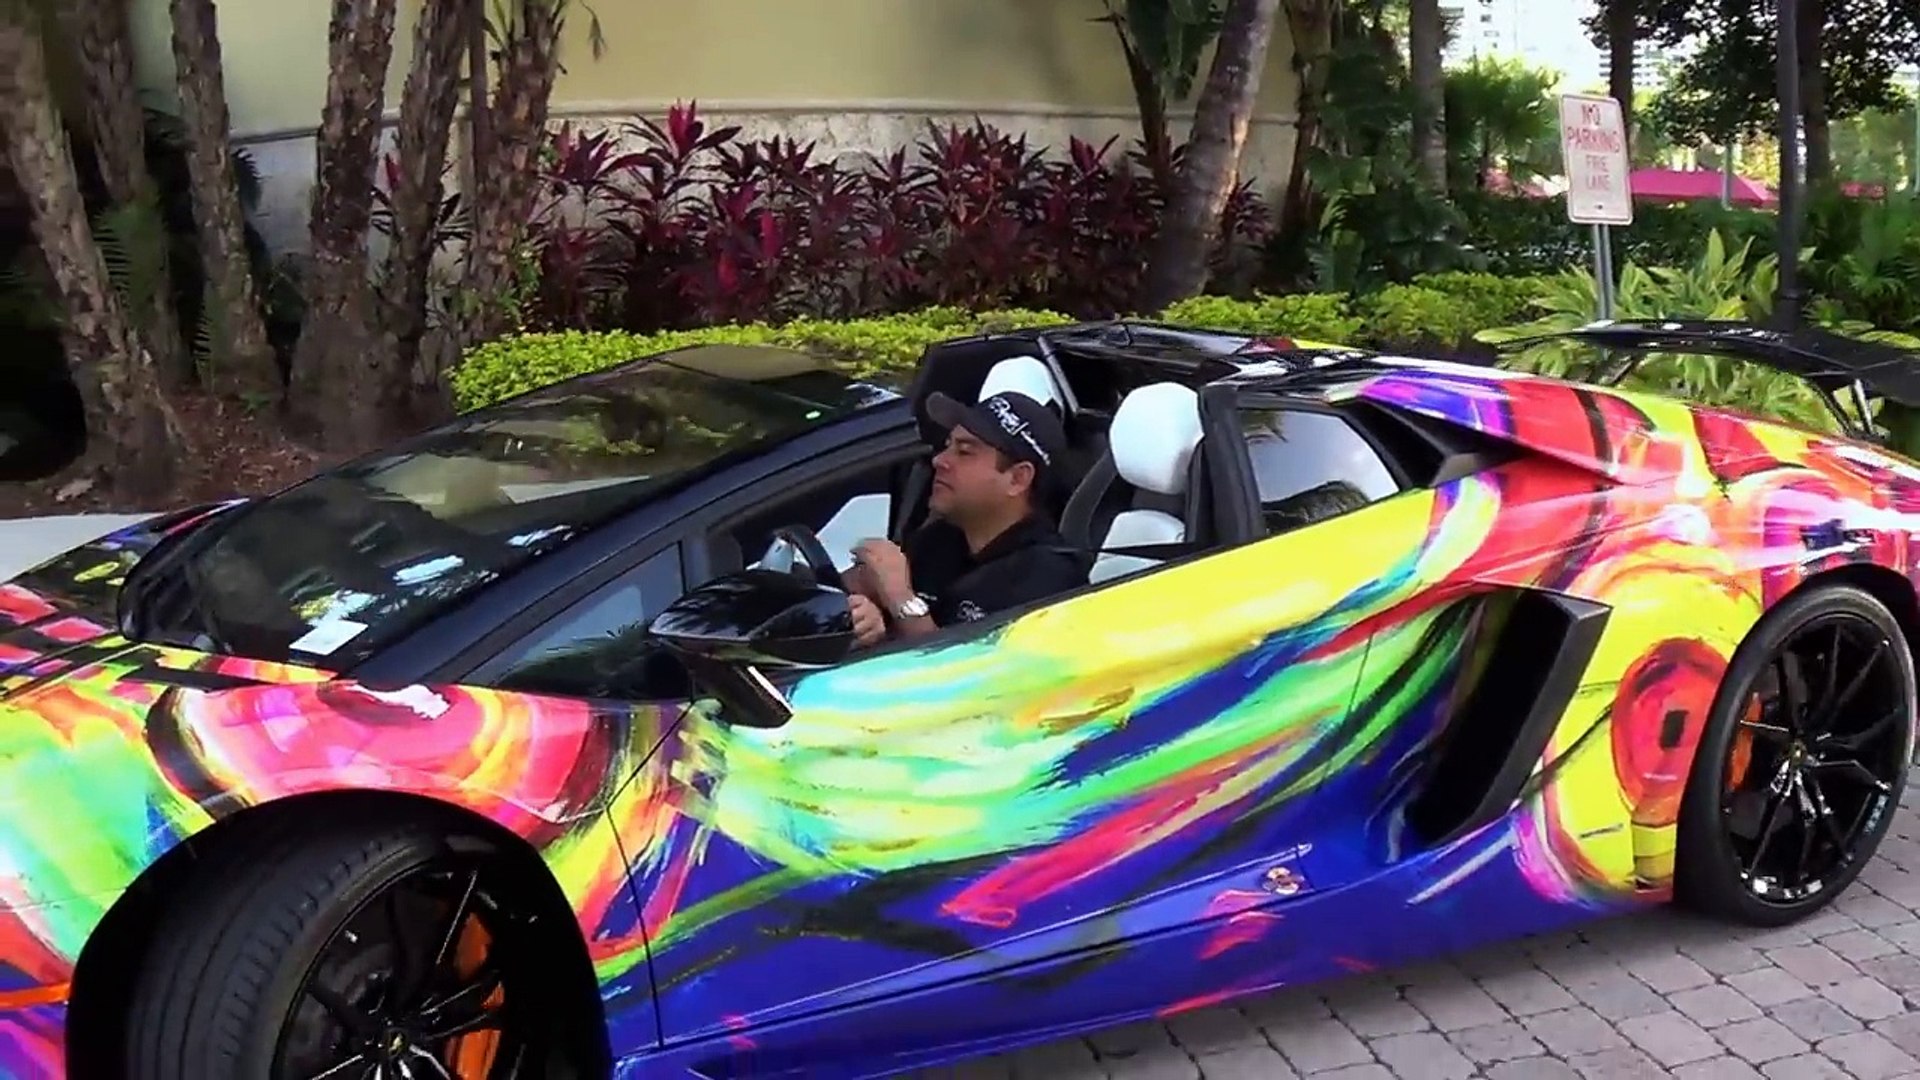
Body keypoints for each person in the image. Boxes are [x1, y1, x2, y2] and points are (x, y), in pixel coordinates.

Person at [845, 389, 1091, 647]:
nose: (940, 460)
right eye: (947, 446)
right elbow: (855, 590)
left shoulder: (1050, 578)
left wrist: (900, 597)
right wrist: (862, 613)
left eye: (964, 452)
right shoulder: (940, 539)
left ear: (1017, 479)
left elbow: (967, 667)